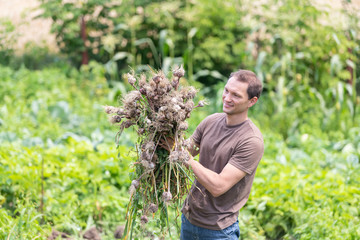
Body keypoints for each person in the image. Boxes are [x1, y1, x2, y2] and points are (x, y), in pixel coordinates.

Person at [180, 69, 264, 240]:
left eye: (236, 95)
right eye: (226, 91)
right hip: (189, 220)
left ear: (252, 101)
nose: (227, 98)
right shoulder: (211, 121)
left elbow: (218, 186)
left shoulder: (251, 141)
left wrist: (186, 159)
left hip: (218, 230)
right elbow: (185, 150)